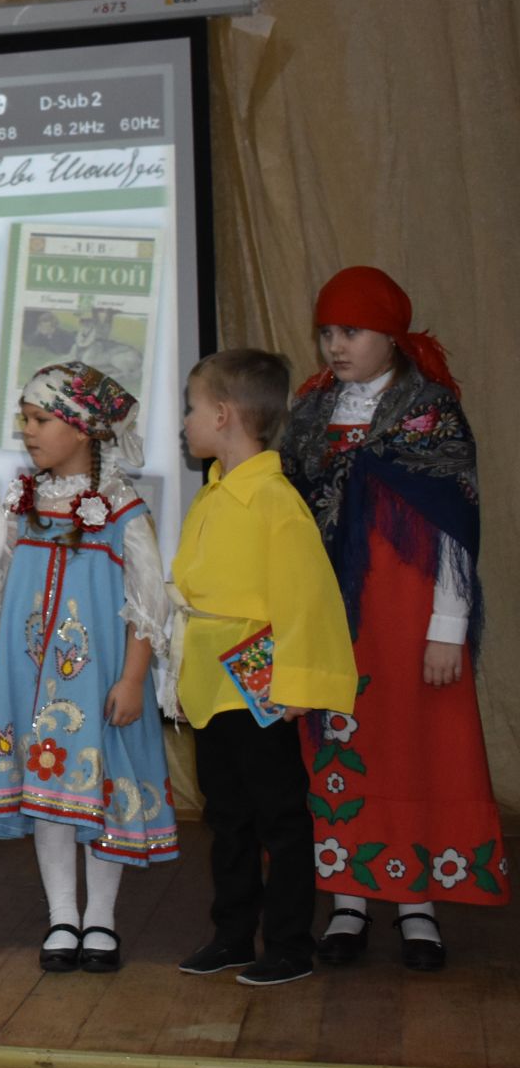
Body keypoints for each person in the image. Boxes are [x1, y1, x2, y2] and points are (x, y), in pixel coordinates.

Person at [281, 267, 506, 972]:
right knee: (341, 743)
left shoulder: (431, 411)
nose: (336, 345)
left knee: (411, 743)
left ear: (391, 334)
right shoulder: (313, 411)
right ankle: (348, 902)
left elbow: (453, 529)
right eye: (327, 331)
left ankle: (417, 909)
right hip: (333, 614)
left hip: (408, 610)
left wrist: (447, 625)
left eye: (351, 331)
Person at [0, 362, 175, 973]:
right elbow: (1, 589)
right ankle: (63, 915)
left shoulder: (119, 506)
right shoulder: (23, 502)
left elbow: (147, 601)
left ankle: (101, 921)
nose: (28, 431)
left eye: (40, 419)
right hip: (29, 683)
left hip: (97, 685)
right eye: (25, 420)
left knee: (99, 793)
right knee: (48, 797)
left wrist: (134, 677)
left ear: (83, 429)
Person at [171, 350, 357, 986]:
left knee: (278, 815)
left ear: (223, 414)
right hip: (212, 682)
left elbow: (307, 598)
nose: (185, 421)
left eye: (192, 408)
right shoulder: (213, 495)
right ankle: (232, 935)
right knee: (227, 814)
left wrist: (299, 684)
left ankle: (288, 944)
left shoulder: (274, 501)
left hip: (258, 683)